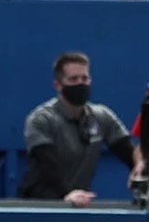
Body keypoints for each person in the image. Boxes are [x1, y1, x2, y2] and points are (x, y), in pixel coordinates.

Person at [20, 51, 141, 206]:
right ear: (58, 85)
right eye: (73, 79)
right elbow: (46, 164)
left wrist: (139, 168)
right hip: (41, 204)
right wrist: (67, 193)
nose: (80, 83)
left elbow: (128, 149)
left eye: (84, 78)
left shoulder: (101, 116)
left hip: (80, 203)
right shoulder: (41, 119)